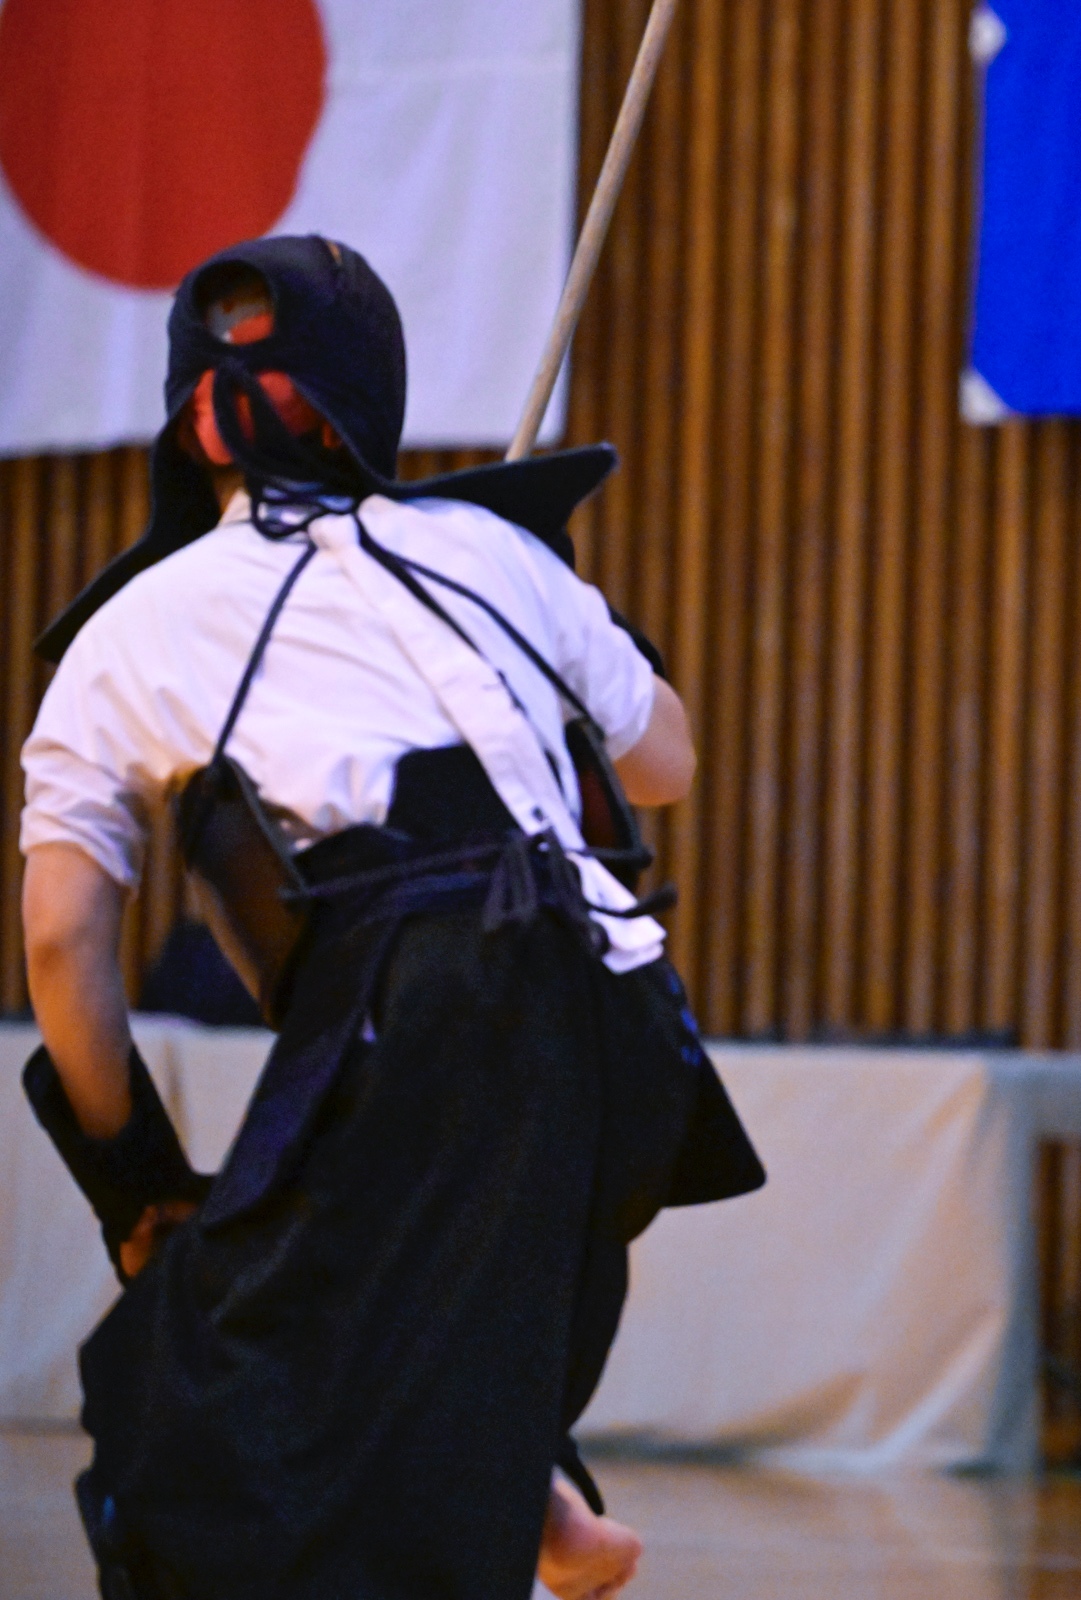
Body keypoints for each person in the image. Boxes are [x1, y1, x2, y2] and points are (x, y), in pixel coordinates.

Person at [19, 235, 763, 1600]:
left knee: (180, 1409)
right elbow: (665, 760)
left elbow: (64, 938)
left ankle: (517, 1483)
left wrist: (137, 1184)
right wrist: (569, 613)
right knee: (404, 1323)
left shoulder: (136, 627)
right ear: (363, 394)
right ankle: (531, 1483)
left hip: (431, 1010)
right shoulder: (491, 553)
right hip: (627, 1035)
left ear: (191, 418)